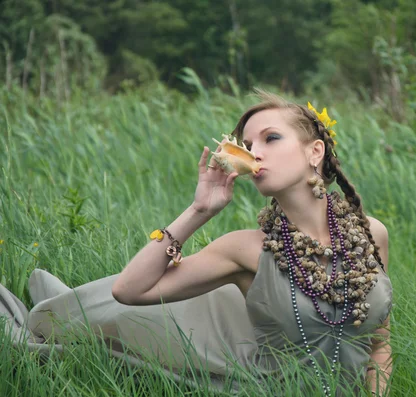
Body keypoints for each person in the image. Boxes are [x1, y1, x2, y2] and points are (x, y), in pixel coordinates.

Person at [2, 91, 393, 396]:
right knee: (90, 321)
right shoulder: (246, 249)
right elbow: (129, 290)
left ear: (315, 151)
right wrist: (199, 210)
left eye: (271, 138)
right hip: (271, 389)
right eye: (247, 143)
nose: (253, 152)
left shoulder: (371, 235)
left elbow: (379, 343)